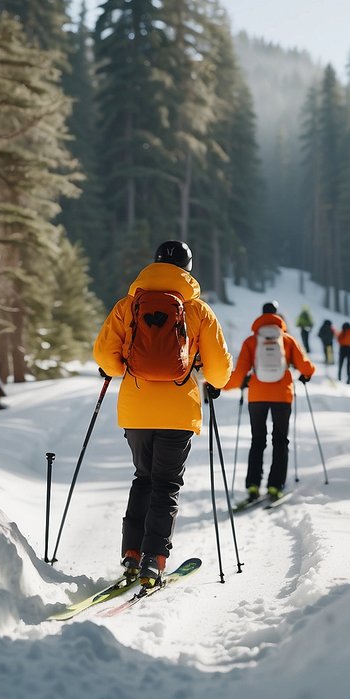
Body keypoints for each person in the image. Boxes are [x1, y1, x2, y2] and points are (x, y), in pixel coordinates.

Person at [93, 240, 232, 589]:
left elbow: (104, 355)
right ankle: (154, 559)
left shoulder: (128, 305)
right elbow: (218, 369)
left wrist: (116, 367)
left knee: (143, 477)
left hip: (136, 410)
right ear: (187, 268)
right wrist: (214, 383)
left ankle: (130, 552)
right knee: (166, 484)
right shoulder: (198, 310)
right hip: (178, 410)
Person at [224, 301, 316, 502]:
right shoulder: (287, 340)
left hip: (257, 396)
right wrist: (307, 374)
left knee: (257, 441)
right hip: (282, 396)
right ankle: (275, 486)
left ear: (262, 315)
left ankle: (253, 485)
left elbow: (239, 374)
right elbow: (305, 367)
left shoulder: (251, 341)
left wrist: (221, 385)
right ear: (278, 316)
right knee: (280, 440)